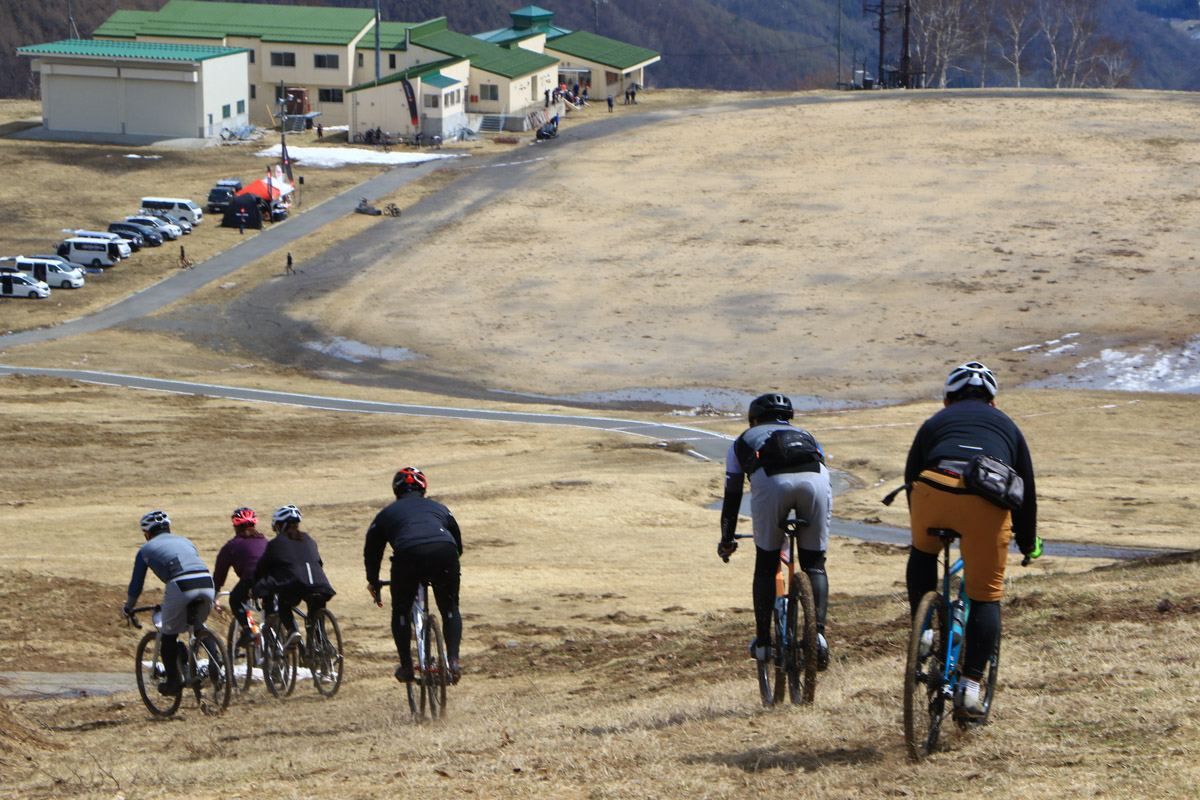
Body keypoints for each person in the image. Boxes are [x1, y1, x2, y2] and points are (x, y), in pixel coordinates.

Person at [903, 361, 1042, 718]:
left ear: (947, 400)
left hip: (932, 490)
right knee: (985, 597)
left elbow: (911, 473)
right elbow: (1025, 490)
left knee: (922, 553)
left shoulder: (934, 421)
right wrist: (1028, 543)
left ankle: (925, 635)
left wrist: (924, 518)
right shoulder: (1007, 426)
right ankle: (971, 688)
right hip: (986, 500)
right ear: (993, 402)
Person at [718, 393, 833, 670]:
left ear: (754, 420)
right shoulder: (806, 434)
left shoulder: (742, 441)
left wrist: (727, 539)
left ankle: (764, 642)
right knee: (815, 563)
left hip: (772, 485)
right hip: (816, 482)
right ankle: (817, 636)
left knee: (767, 563)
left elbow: (732, 495)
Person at [365, 467, 464, 685]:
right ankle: (454, 662)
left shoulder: (386, 514)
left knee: (401, 610)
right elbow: (458, 544)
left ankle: (407, 667)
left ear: (396, 491)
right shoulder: (440, 508)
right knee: (450, 609)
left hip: (408, 555)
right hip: (444, 552)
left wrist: (373, 580)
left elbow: (372, 551)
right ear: (424, 489)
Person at [123, 511, 216, 696]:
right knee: (198, 626)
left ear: (147, 533)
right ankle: (218, 664)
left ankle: (173, 683)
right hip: (207, 582)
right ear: (169, 529)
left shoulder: (146, 549)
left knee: (168, 635)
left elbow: (137, 584)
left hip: (181, 584)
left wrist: (129, 606)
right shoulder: (186, 541)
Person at [253, 505, 336, 648]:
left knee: (283, 604)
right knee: (316, 613)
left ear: (279, 526)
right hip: (320, 584)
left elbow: (262, 568)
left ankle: (292, 631)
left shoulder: (276, 543)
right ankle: (321, 645)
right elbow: (319, 562)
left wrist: (255, 585)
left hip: (295, 584)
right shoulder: (309, 539)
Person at [213, 507, 268, 627]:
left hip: (250, 579)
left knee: (234, 600)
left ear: (235, 527)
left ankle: (247, 631)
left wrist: (216, 589)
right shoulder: (265, 541)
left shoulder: (232, 545)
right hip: (271, 579)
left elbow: (220, 571)